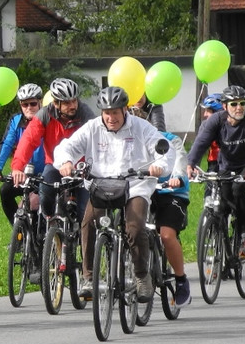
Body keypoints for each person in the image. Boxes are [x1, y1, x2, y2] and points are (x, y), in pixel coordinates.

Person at [52, 86, 175, 302]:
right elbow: (67, 147)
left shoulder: (140, 127)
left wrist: (160, 165)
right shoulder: (92, 128)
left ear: (125, 110)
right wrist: (66, 162)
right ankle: (89, 278)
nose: (111, 118)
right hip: (101, 184)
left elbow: (163, 147)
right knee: (88, 222)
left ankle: (140, 275)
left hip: (134, 184)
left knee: (135, 228)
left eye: (115, 112)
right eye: (107, 113)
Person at [187, 85, 245, 260]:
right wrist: (191, 163)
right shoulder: (216, 120)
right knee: (223, 201)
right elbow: (201, 142)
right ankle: (223, 250)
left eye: (242, 103)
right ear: (225, 106)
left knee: (239, 190)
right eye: (234, 104)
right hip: (226, 168)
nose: (239, 107)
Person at [11, 77, 95, 222]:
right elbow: (28, 141)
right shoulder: (45, 115)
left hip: (82, 167)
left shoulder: (85, 114)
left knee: (84, 213)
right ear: (56, 103)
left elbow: (97, 138)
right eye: (67, 102)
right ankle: (50, 231)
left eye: (74, 100)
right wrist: (18, 167)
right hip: (55, 164)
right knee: (46, 196)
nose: (73, 105)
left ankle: (83, 241)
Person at [0, 83, 46, 226]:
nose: (29, 108)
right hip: (23, 173)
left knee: (36, 205)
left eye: (33, 104)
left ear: (40, 102)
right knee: (5, 191)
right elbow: (6, 144)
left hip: (44, 172)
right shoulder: (16, 121)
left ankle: (44, 236)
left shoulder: (48, 120)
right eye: (24, 104)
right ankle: (18, 232)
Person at [152, 129, 194, 305]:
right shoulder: (130, 140)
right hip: (145, 192)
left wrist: (176, 177)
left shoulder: (171, 140)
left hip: (172, 193)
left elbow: (180, 159)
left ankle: (180, 280)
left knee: (167, 236)